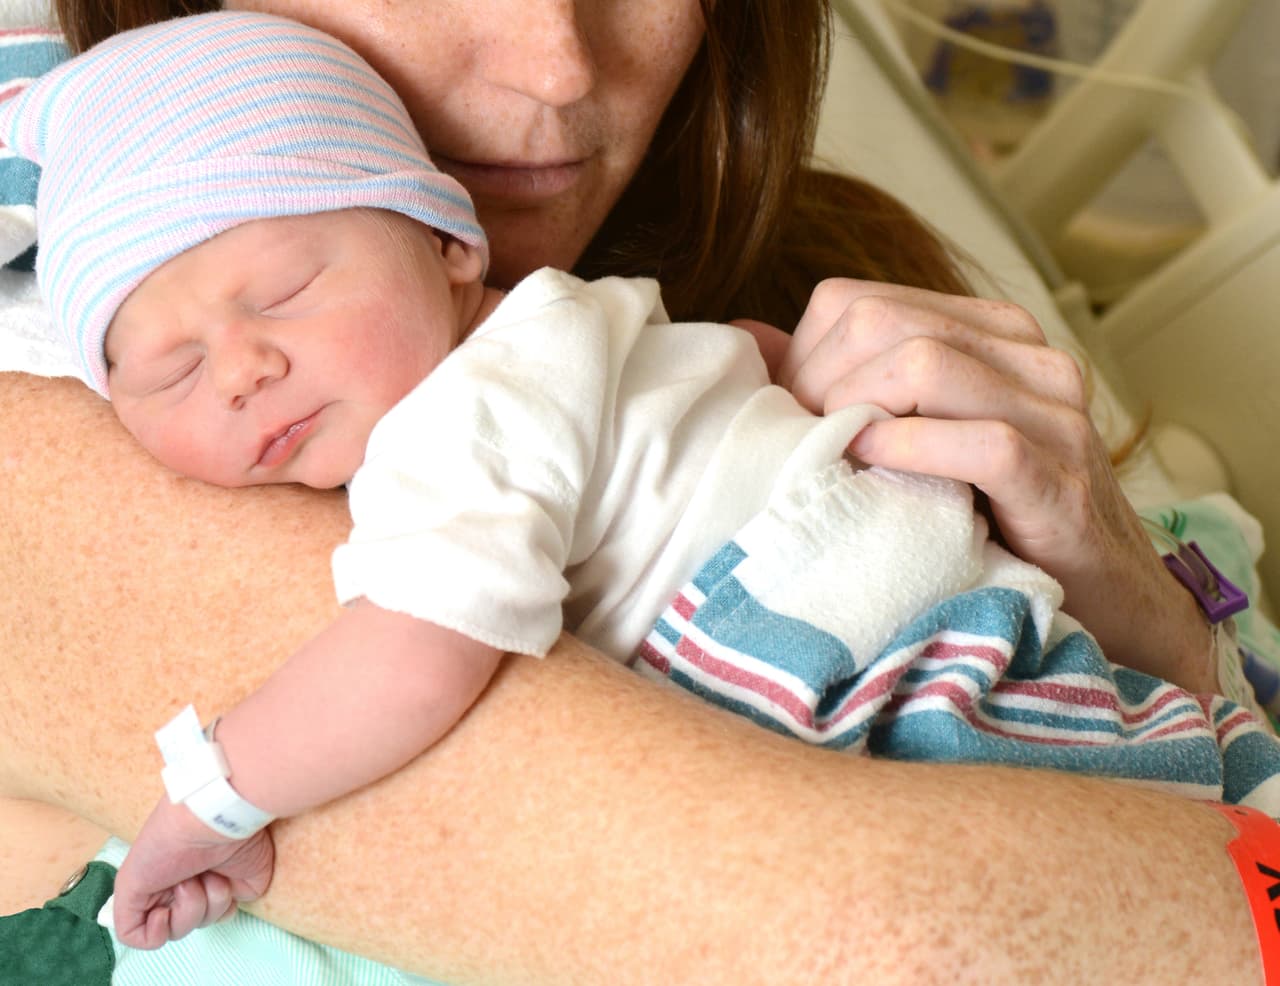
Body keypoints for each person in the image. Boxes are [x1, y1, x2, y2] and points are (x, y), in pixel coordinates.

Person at [0, 0, 1269, 982]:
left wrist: (1137, 610)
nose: (557, 66)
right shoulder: (81, 428)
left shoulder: (835, 274)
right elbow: (900, 938)